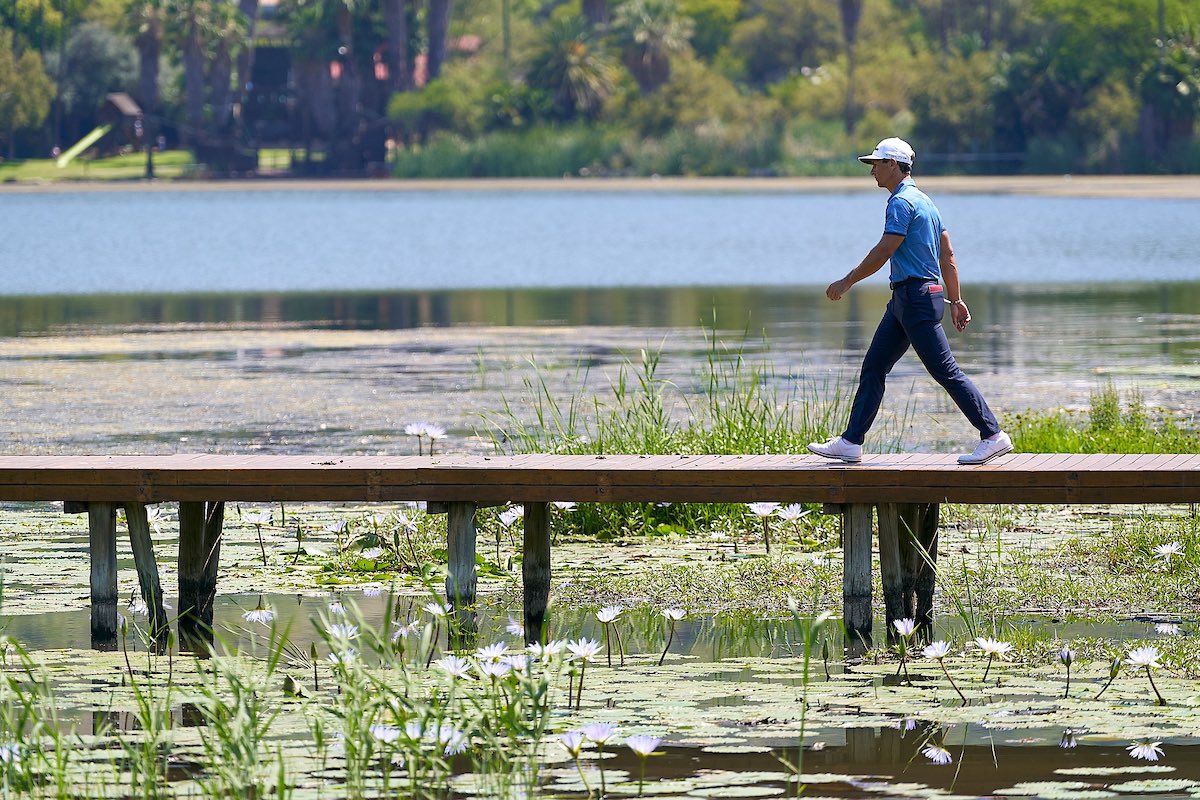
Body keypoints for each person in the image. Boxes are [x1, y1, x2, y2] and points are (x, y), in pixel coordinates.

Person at [807, 137, 1012, 465]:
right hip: (910, 300)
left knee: (945, 371)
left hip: (915, 300)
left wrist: (847, 281)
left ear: (893, 165)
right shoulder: (927, 203)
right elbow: (948, 255)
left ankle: (992, 434)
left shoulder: (901, 202)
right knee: (874, 366)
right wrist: (956, 299)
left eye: (876, 163)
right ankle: (851, 442)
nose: (872, 170)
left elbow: (885, 249)